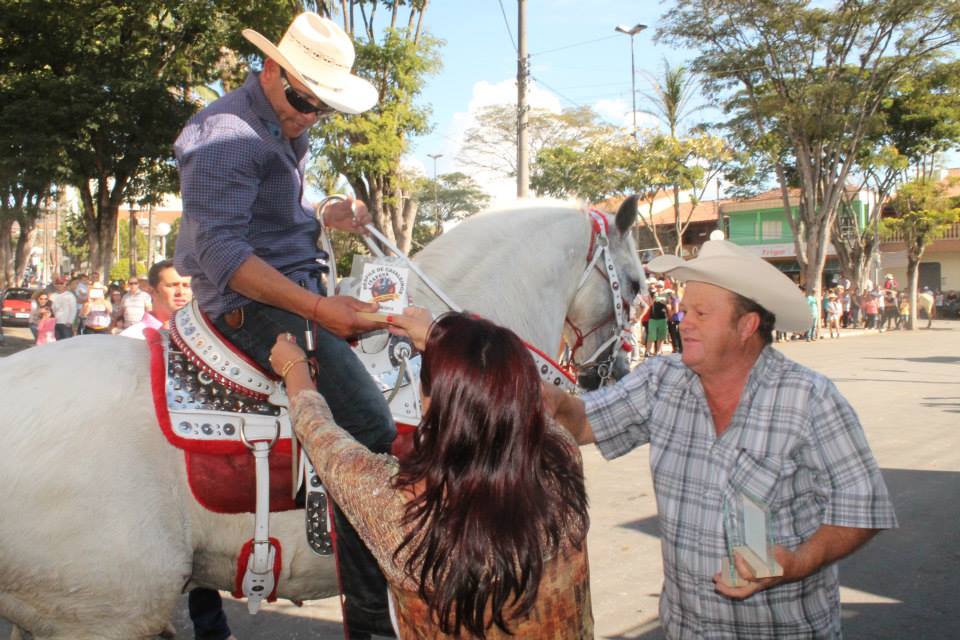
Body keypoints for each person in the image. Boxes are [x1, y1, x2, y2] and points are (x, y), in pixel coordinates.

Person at [542, 239, 897, 639]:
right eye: (684, 309)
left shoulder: (809, 398)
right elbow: (585, 422)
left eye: (700, 313)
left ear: (746, 327)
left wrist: (797, 562)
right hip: (686, 629)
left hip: (785, 631)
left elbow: (863, 508)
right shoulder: (662, 380)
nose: (682, 320)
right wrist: (548, 399)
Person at [173, 12, 395, 638]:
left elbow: (279, 207)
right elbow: (221, 252)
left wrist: (329, 211)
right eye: (303, 98)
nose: (309, 115)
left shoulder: (276, 123)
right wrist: (321, 310)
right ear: (270, 69)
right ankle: (373, 619)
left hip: (295, 288)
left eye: (322, 106)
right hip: (254, 305)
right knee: (371, 426)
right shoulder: (224, 133)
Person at [272, 311, 593, 638]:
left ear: (428, 403)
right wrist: (437, 337)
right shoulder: (561, 457)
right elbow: (518, 394)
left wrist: (293, 366)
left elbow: (317, 430)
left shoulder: (393, 506)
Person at [120, 260, 192, 337]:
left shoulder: (201, 336)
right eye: (172, 285)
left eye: (186, 286)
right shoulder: (130, 337)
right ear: (152, 291)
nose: (181, 292)